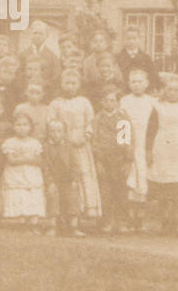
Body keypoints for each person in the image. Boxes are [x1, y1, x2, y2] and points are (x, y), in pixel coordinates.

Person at [48, 68, 102, 222]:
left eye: (73, 83)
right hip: (63, 146)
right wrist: (64, 140)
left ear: (78, 85)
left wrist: (85, 137)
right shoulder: (56, 103)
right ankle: (70, 214)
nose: (70, 86)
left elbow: (90, 123)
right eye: (67, 83)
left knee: (84, 174)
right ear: (61, 84)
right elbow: (51, 124)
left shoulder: (84, 102)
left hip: (82, 145)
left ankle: (88, 211)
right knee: (68, 177)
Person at [145, 73, 178, 235]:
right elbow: (151, 129)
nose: (172, 92)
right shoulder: (157, 107)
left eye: (175, 90)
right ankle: (164, 220)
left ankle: (175, 221)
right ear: (164, 91)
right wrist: (148, 149)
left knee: (177, 184)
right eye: (169, 89)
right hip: (161, 146)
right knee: (163, 183)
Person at [91, 84, 133, 234]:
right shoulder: (97, 119)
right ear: (101, 102)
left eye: (112, 100)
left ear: (117, 102)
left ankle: (122, 221)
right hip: (104, 159)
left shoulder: (122, 118)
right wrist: (98, 161)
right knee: (105, 191)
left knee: (120, 191)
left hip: (118, 159)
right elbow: (95, 140)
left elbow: (127, 140)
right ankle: (106, 220)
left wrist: (127, 161)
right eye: (106, 100)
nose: (109, 103)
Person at [120, 67, 158, 225]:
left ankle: (141, 215)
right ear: (129, 84)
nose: (137, 85)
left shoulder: (152, 101)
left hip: (145, 143)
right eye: (133, 82)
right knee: (130, 174)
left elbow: (154, 126)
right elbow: (121, 123)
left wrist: (151, 148)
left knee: (143, 174)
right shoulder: (124, 101)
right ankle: (130, 215)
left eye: (140, 81)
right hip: (130, 143)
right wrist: (123, 145)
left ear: (147, 83)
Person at [0, 112, 46, 227]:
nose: (22, 128)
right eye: (18, 125)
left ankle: (33, 221)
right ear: (14, 127)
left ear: (30, 127)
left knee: (32, 192)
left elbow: (39, 160)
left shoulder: (34, 142)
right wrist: (27, 158)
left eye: (25, 125)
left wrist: (21, 157)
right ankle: (20, 219)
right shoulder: (10, 142)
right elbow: (11, 160)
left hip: (31, 173)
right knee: (18, 193)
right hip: (16, 173)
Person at [42, 117, 82, 236]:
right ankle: (52, 226)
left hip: (67, 180)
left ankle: (74, 226)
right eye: (53, 131)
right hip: (53, 180)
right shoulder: (45, 147)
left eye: (59, 131)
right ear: (48, 132)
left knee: (73, 195)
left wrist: (74, 180)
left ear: (64, 133)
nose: (56, 134)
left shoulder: (69, 146)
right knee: (52, 194)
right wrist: (50, 181)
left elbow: (75, 165)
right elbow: (45, 167)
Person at [19, 20, 62, 95]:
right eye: (35, 33)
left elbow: (56, 77)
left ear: (46, 36)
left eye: (41, 33)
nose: (37, 36)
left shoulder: (53, 57)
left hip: (46, 93)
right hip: (25, 93)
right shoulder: (22, 55)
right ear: (30, 35)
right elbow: (19, 75)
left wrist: (43, 85)